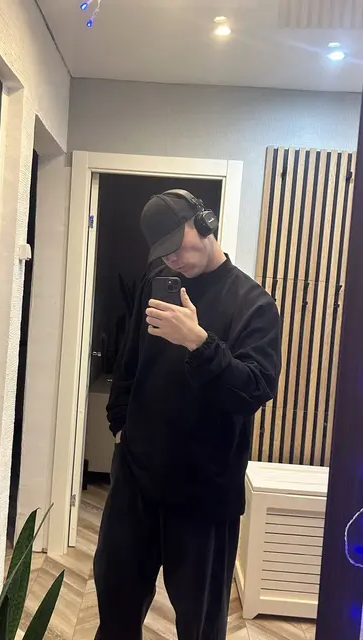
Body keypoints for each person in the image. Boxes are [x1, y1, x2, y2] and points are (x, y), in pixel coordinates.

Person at [94, 189, 281, 640]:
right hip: (137, 479)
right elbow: (130, 361)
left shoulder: (253, 304)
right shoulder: (157, 281)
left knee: (200, 626)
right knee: (115, 608)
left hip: (205, 493)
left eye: (176, 246)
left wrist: (199, 342)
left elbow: (254, 389)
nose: (172, 260)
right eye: (162, 252)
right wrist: (121, 425)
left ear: (205, 224)